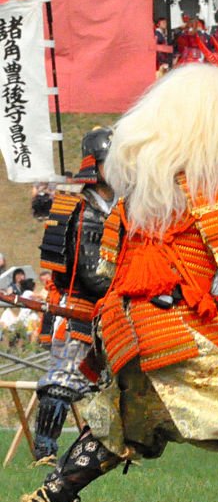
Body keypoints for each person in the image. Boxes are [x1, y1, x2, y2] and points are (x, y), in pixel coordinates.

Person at [21, 65, 218, 502]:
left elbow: (107, 267)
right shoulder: (202, 182)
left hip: (127, 327)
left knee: (132, 419)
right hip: (171, 325)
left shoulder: (143, 189)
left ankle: (52, 494)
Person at [30, 128, 116, 467]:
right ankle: (46, 450)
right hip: (79, 307)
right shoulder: (80, 210)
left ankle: (110, 448)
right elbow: (91, 272)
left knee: (115, 383)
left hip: (112, 308)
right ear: (96, 164)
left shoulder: (123, 206)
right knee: (63, 380)